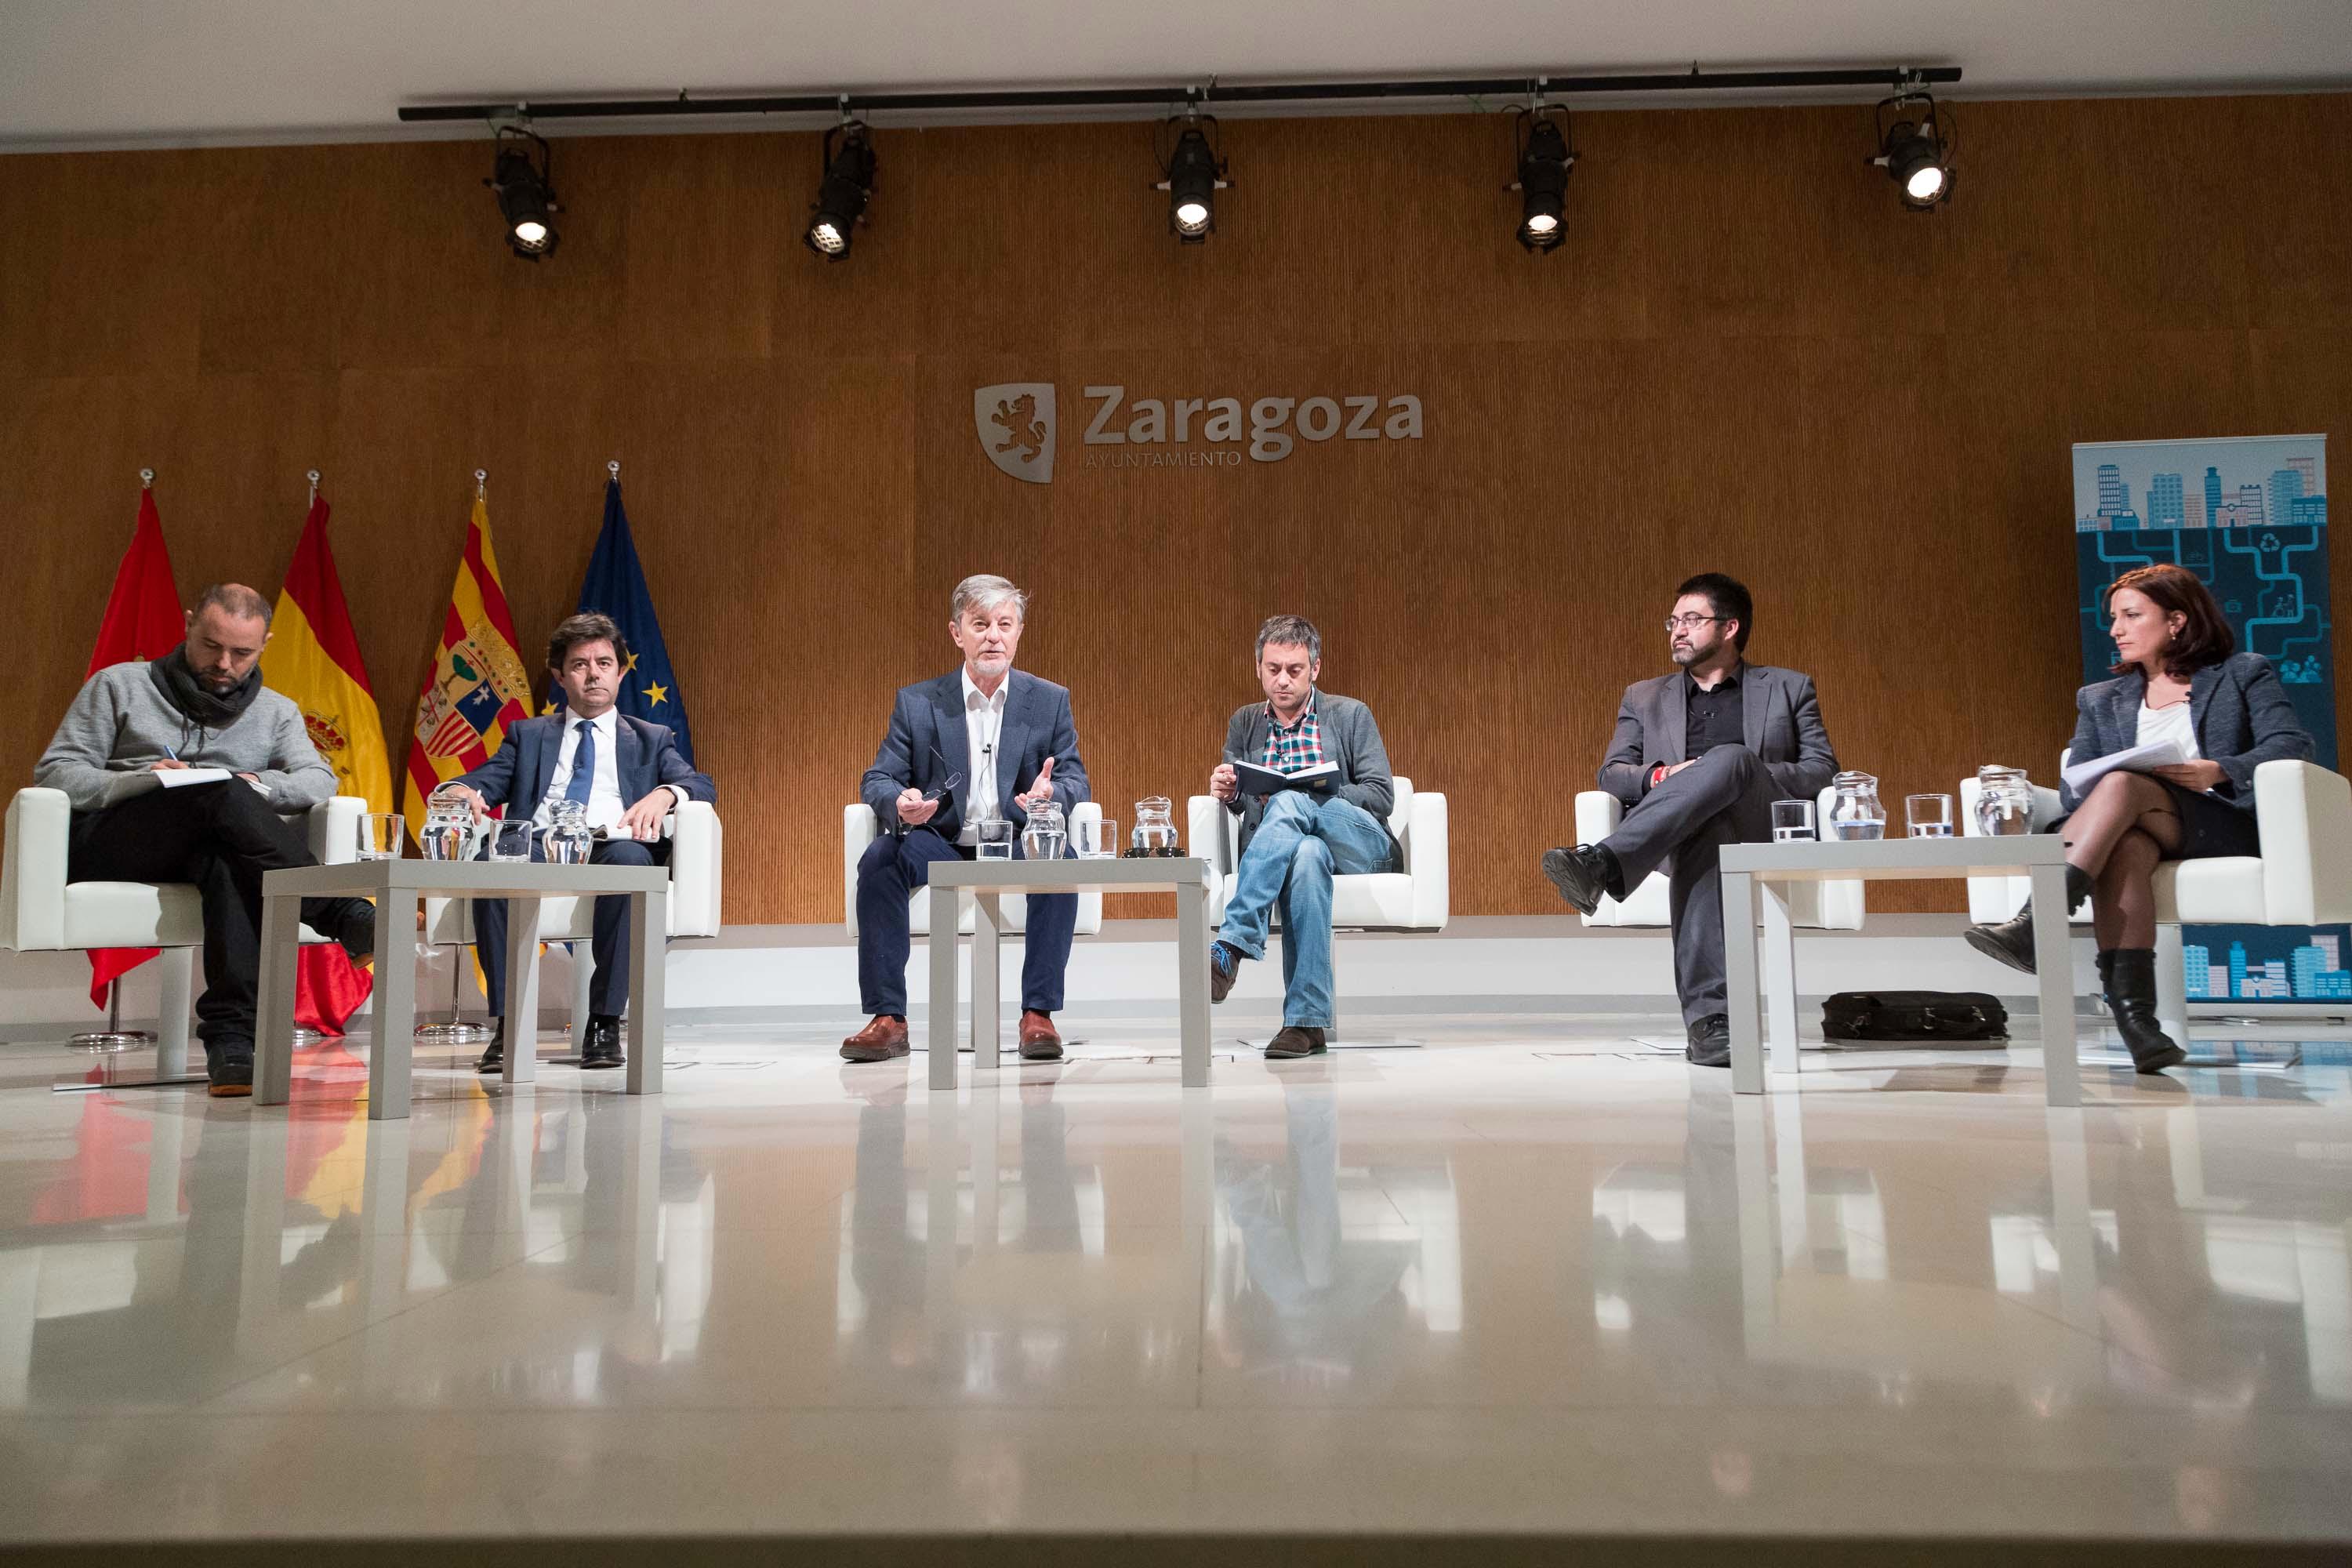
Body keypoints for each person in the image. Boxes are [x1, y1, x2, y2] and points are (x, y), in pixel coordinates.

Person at [1964, 563, 2312, 1073]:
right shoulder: (2100, 698)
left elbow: (2290, 745)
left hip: (2218, 822)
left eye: (2131, 616)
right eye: (2114, 618)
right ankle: (2141, 1029)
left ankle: (2037, 921)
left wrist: (2216, 769)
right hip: (2139, 824)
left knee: (2123, 786)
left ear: (2176, 621)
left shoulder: (2242, 672)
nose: (2116, 630)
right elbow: (2073, 784)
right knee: (2126, 841)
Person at [34, 584, 376, 1097]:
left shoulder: (277, 711)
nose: (224, 664)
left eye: (242, 653)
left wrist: (255, 784)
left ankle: (233, 1046)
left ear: (265, 645)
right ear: (189, 624)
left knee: (226, 853)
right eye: (212, 646)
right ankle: (338, 911)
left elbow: (319, 780)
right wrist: (143, 778)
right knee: (218, 793)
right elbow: (57, 772)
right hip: (119, 839)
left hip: (209, 841)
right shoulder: (119, 685)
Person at [1539, 574, 1838, 1067]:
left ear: (1729, 627)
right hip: (1680, 833)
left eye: (1692, 620)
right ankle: (1710, 1027)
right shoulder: (1643, 696)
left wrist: (1738, 770)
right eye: (1673, 621)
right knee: (1708, 833)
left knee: (1731, 759)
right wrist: (1663, 776)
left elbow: (1822, 769)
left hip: (1761, 822)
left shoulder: (1788, 687)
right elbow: (1612, 773)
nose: (1678, 630)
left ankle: (1604, 862)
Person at [434, 612, 713, 1074]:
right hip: (538, 843)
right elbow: (485, 780)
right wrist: (461, 790)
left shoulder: (651, 738)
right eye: (580, 665)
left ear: (620, 673)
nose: (594, 674)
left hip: (611, 844)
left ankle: (604, 1022)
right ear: (561, 676)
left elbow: (700, 785)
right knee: (492, 861)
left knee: (632, 864)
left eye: (604, 663)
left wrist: (665, 793)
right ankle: (510, 1023)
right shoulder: (528, 735)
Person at [847, 575, 1088, 1063]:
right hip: (943, 839)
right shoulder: (918, 703)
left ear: (1019, 632)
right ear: (957, 633)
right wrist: (901, 801)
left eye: (1005, 624)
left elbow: (1074, 778)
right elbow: (878, 778)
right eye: (980, 624)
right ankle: (889, 1018)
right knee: (880, 859)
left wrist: (1051, 794)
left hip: (1017, 836)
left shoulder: (1049, 700)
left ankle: (1038, 1014)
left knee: (1059, 860)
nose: (993, 636)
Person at [1205, 615, 1400, 1058]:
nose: (1283, 680)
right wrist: (1232, 794)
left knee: (1292, 800)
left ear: (1315, 668)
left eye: (1294, 670)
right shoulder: (1245, 722)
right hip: (1297, 849)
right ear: (1258, 667)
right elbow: (1247, 804)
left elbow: (1381, 795)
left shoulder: (1350, 714)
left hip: (1359, 843)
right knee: (1308, 857)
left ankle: (1233, 942)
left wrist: (1315, 794)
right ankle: (1305, 1023)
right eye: (1273, 669)